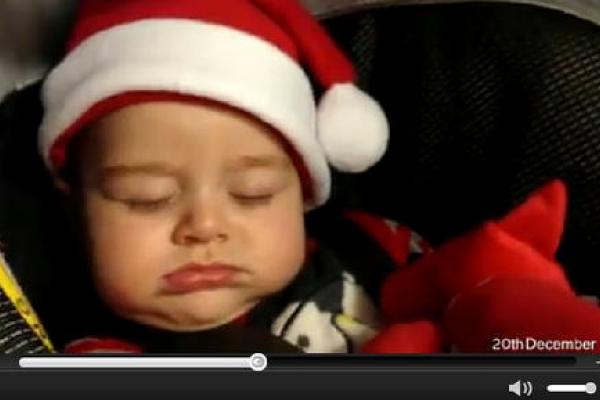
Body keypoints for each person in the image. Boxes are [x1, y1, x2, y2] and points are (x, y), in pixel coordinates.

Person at [39, 0, 600, 353]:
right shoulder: (106, 355)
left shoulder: (371, 242)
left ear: (303, 192)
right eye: (146, 197)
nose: (205, 226)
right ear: (76, 204)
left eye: (253, 193)